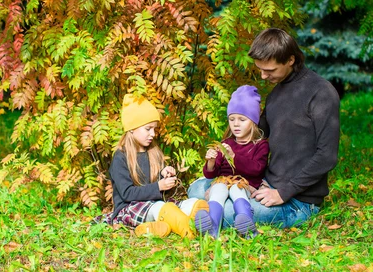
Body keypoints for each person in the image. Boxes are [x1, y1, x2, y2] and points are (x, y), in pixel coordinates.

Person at [188, 28, 340, 229]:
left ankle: (203, 212)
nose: (263, 76)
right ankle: (208, 207)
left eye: (269, 71)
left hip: (297, 201)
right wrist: (227, 181)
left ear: (290, 60)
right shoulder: (276, 95)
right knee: (198, 188)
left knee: (227, 212)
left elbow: (327, 156)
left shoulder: (321, 93)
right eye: (260, 69)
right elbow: (255, 141)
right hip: (264, 184)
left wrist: (283, 192)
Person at [103, 93, 209, 238]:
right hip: (129, 209)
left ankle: (151, 228)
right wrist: (158, 186)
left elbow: (161, 191)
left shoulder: (153, 152)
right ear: (132, 128)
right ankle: (189, 231)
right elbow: (127, 194)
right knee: (161, 208)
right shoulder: (120, 157)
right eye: (148, 129)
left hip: (155, 205)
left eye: (154, 129)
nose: (152, 134)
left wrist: (166, 175)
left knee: (190, 203)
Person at [193, 85, 269, 238]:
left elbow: (257, 169)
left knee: (236, 189)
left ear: (253, 121)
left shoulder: (260, 145)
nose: (235, 124)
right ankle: (212, 228)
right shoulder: (226, 142)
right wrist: (211, 162)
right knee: (217, 190)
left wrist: (234, 157)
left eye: (242, 119)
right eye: (232, 119)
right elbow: (211, 174)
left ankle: (246, 223)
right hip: (223, 181)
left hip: (244, 184)